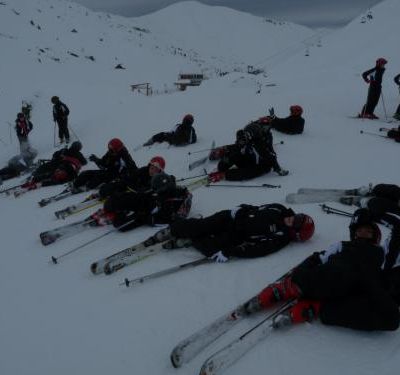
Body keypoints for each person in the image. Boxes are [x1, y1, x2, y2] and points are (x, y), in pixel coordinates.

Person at [243, 208, 399, 332]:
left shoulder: (382, 253)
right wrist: (299, 272)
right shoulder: (343, 245)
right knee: (331, 274)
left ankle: (318, 307)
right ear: (354, 233)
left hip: (349, 289)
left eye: (368, 231)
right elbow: (319, 258)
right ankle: (288, 288)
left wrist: (377, 214)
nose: (364, 233)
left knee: (391, 319)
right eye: (360, 230)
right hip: (328, 276)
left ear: (375, 236)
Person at [151, 203, 315, 260]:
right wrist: (240, 208)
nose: (292, 219)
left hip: (238, 235)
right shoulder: (279, 209)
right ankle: (172, 230)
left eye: (296, 223)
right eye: (297, 216)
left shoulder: (280, 238)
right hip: (233, 218)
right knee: (204, 225)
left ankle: (190, 240)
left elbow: (257, 250)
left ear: (296, 233)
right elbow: (257, 208)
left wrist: (231, 252)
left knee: (211, 249)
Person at [95, 172, 192, 231]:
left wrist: (146, 218)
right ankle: (113, 205)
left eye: (156, 189)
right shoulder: (167, 189)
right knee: (126, 198)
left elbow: (165, 220)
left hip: (148, 212)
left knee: (120, 224)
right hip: (149, 201)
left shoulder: (173, 204)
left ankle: (117, 213)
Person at [207, 126, 288, 182]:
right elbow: (236, 147)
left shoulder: (259, 145)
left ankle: (225, 175)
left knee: (246, 172)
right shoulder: (245, 140)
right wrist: (224, 150)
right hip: (249, 159)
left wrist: (279, 170)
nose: (245, 135)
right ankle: (222, 170)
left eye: (247, 134)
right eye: (245, 133)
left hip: (261, 166)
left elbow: (271, 157)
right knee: (233, 156)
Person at [72, 138, 137, 192]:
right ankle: (76, 184)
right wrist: (96, 160)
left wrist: (125, 178)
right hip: (109, 172)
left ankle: (87, 187)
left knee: (100, 176)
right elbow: (103, 163)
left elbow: (133, 169)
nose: (109, 149)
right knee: (88, 173)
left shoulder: (124, 157)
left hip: (116, 176)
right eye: (109, 146)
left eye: (111, 147)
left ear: (117, 149)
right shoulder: (110, 153)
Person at [22, 141, 86, 190]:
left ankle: (34, 175)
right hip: (63, 166)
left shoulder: (65, 150)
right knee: (54, 174)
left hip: (55, 163)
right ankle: (40, 180)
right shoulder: (78, 154)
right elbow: (84, 162)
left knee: (45, 167)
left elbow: (55, 154)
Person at [98, 156, 166, 199]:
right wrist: (123, 181)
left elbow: (144, 191)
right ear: (149, 166)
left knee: (123, 196)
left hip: (139, 195)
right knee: (117, 185)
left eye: (156, 170)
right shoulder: (144, 169)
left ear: (159, 171)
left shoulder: (158, 180)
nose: (152, 171)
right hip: (132, 187)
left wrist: (130, 185)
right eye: (151, 168)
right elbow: (132, 176)